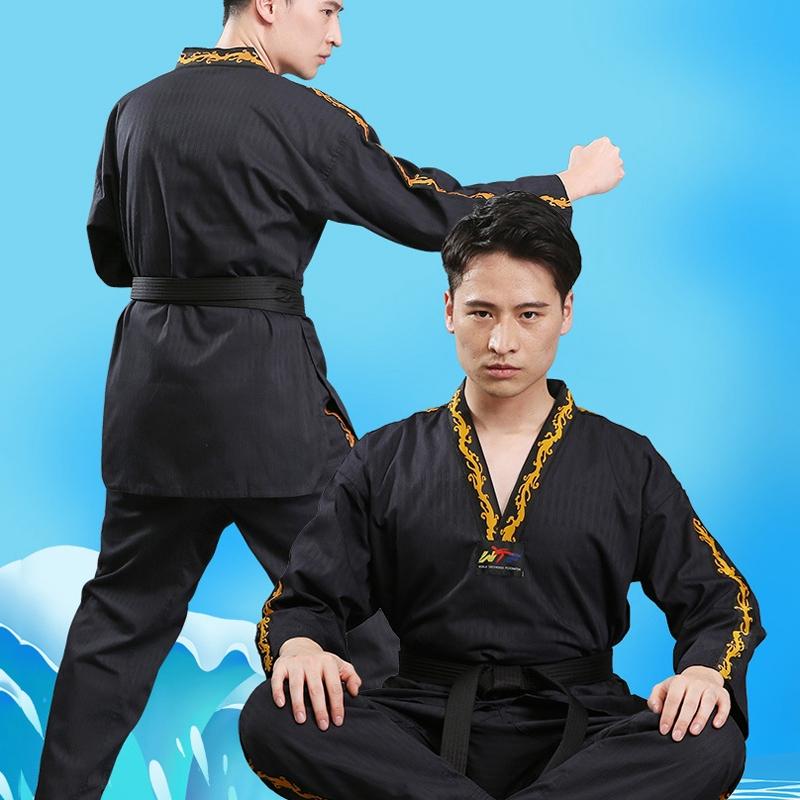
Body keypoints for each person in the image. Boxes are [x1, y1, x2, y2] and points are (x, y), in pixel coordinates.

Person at [35, 0, 625, 796]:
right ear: (269, 5)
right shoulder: (299, 117)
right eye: (327, 9)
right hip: (266, 405)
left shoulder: (133, 110)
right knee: (368, 612)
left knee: (117, 623)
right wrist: (563, 186)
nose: (336, 33)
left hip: (150, 406)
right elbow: (426, 207)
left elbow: (112, 257)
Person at [239, 192, 765, 800]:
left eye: (529, 314)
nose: (501, 341)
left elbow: (721, 600)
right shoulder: (385, 456)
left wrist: (702, 672)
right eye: (482, 312)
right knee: (273, 713)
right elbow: (306, 598)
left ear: (566, 312)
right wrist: (303, 648)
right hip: (416, 727)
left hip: (585, 726)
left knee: (710, 736)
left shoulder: (627, 460)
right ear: (449, 310)